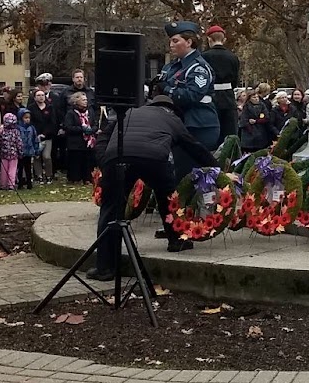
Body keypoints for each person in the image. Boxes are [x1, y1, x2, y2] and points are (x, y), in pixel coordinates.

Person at [90, 92, 217, 278]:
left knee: (110, 209)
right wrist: (217, 168)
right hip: (154, 158)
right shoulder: (172, 118)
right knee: (167, 196)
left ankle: (105, 268)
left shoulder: (129, 112)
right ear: (172, 109)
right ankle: (176, 241)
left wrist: (105, 162)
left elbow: (102, 138)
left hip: (117, 157)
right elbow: (194, 147)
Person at [158, 21, 221, 151]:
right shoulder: (172, 67)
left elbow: (193, 95)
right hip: (178, 124)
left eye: (175, 41)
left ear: (189, 42)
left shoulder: (198, 68)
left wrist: (166, 89)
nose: (171, 45)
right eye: (170, 41)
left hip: (198, 126)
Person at [203, 24, 241, 143]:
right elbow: (235, 79)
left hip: (211, 97)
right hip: (228, 97)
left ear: (209, 39)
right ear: (224, 39)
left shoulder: (204, 56)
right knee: (229, 134)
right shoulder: (233, 57)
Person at [62, 91, 97, 183]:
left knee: (88, 161)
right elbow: (68, 127)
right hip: (75, 142)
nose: (86, 102)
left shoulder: (90, 111)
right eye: (83, 100)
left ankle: (87, 178)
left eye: (86, 100)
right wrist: (82, 129)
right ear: (76, 101)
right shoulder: (71, 113)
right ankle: (75, 178)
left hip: (88, 142)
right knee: (75, 161)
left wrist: (92, 130)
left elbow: (95, 123)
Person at [30, 86, 58, 182]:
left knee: (47, 156)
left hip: (47, 136)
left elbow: (53, 122)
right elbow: (31, 122)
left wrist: (45, 134)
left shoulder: (50, 107)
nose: (41, 97)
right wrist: (36, 134)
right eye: (38, 95)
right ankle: (39, 175)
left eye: (42, 95)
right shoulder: (31, 108)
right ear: (34, 97)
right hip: (35, 136)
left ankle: (49, 175)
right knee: (37, 157)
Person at [16, 108, 41, 189]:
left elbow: (35, 140)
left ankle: (29, 182)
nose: (27, 120)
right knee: (20, 168)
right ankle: (20, 183)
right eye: (25, 118)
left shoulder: (32, 128)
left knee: (28, 167)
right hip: (20, 152)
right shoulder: (18, 128)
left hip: (29, 151)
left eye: (28, 118)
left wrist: (36, 150)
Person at [0, 111, 22, 190]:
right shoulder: (16, 132)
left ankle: (3, 185)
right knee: (12, 169)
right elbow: (19, 143)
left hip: (3, 154)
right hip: (13, 154)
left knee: (3, 169)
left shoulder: (1, 131)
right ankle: (11, 184)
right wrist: (20, 152)